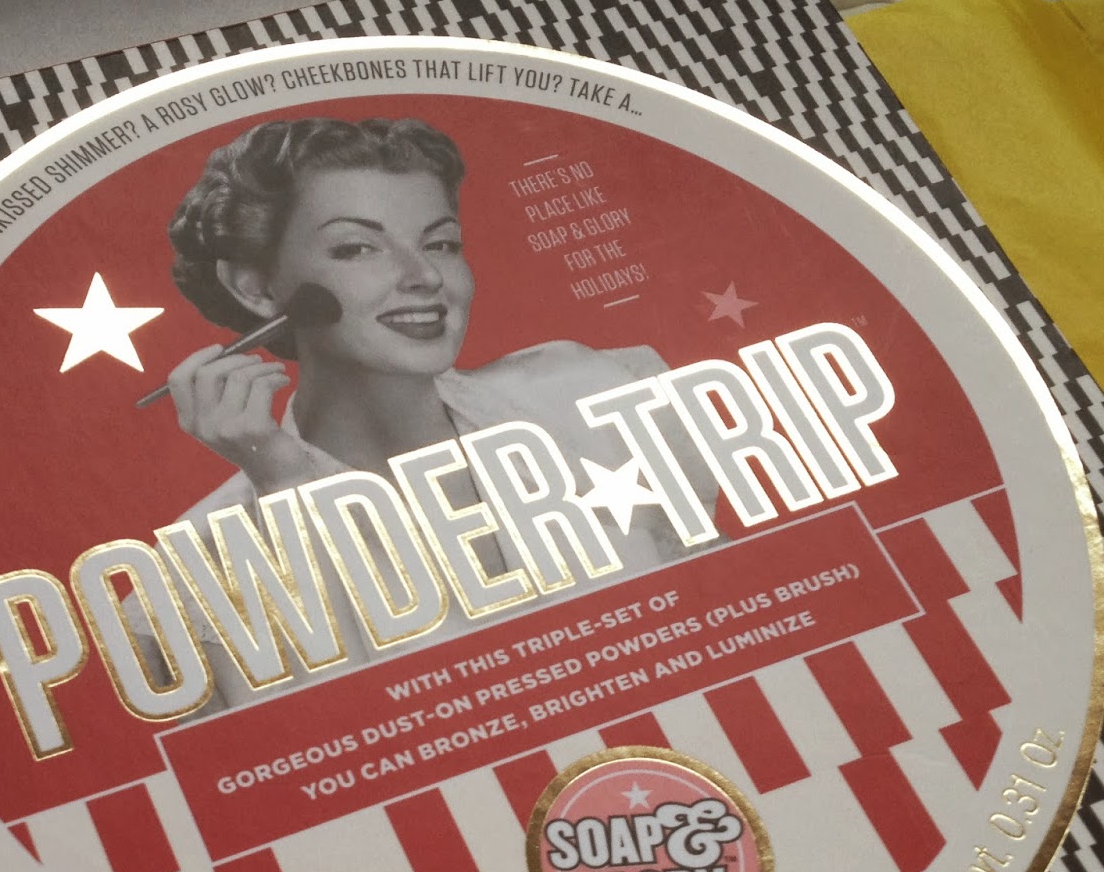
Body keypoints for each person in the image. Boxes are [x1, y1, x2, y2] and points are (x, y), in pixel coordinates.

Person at [159, 115, 709, 707]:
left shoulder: (586, 392)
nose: (424, 276)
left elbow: (723, 601)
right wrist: (285, 482)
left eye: (441, 244)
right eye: (357, 248)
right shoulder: (203, 566)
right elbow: (343, 733)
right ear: (258, 288)